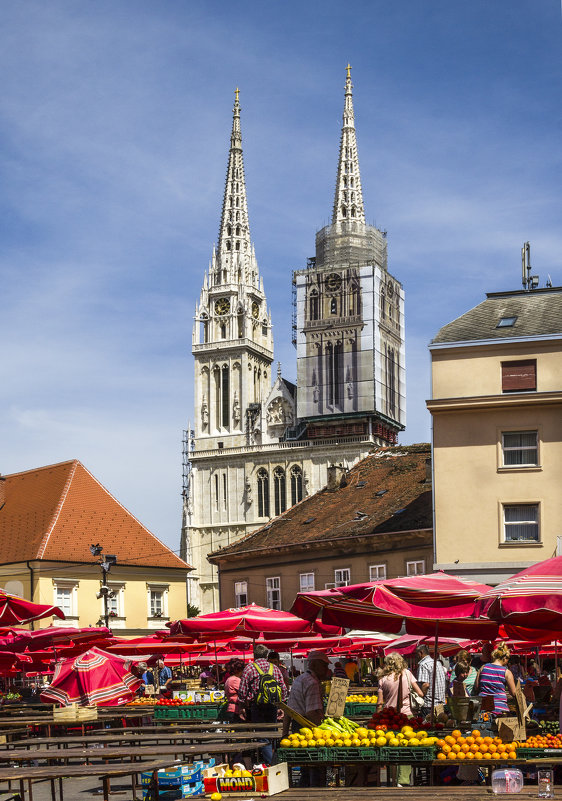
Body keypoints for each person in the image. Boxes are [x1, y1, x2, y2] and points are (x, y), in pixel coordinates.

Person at [282, 650, 330, 787]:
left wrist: (285, 733)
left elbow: (288, 710)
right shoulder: (312, 683)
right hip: (309, 730)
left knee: (306, 768)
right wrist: (325, 730)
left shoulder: (299, 679)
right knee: (316, 770)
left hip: (297, 730)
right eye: (324, 666)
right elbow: (311, 713)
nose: (327, 670)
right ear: (315, 665)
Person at [376, 652, 424, 788]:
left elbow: (380, 703)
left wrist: (377, 718)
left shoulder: (383, 678)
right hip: (407, 716)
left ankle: (392, 776)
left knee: (391, 747)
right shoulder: (407, 674)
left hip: (389, 717)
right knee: (405, 747)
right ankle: (402, 780)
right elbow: (420, 693)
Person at [238, 644, 287, 765]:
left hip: (257, 707)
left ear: (254, 655)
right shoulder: (275, 668)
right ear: (266, 655)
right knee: (273, 735)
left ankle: (271, 764)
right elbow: (283, 688)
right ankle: (277, 762)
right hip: (273, 706)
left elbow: (242, 690)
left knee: (262, 737)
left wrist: (242, 707)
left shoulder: (249, 668)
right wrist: (281, 706)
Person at [476, 641, 517, 716]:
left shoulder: (483, 668)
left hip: (482, 708)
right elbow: (514, 693)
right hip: (500, 710)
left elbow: (476, 687)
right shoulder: (507, 672)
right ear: (505, 658)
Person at [416, 645, 446, 718]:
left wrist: (420, 696)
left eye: (417, 654)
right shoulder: (437, 663)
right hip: (440, 704)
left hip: (429, 705)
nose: (416, 656)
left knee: (428, 728)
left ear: (421, 652)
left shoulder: (424, 664)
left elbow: (425, 685)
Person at [224, 658, 246, 723]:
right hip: (236, 710)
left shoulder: (229, 679)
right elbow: (244, 691)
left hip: (231, 709)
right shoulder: (235, 680)